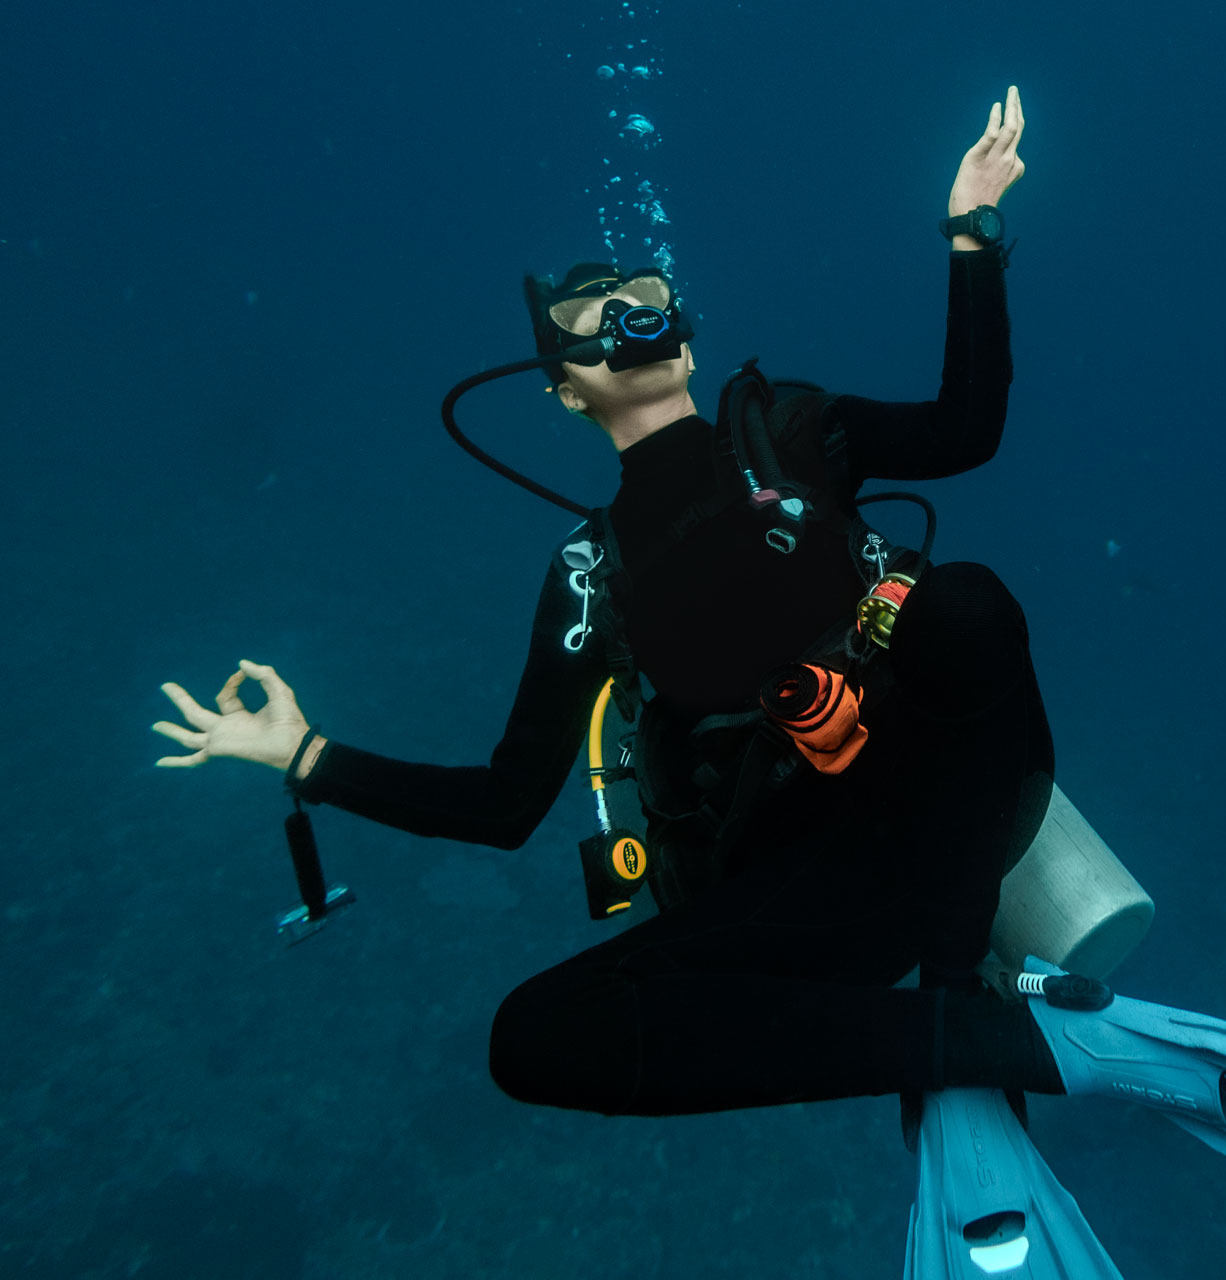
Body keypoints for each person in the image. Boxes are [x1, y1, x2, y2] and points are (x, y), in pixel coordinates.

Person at [153, 85, 1071, 1116]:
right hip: (809, 901)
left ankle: (953, 995)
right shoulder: (591, 574)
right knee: (533, 1035)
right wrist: (304, 755)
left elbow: (966, 428)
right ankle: (954, 1036)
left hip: (951, 800)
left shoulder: (797, 427)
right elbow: (506, 802)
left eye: (648, 300)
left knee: (968, 601)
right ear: (563, 387)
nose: (637, 320)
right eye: (600, 321)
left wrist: (970, 229)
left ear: (681, 330)